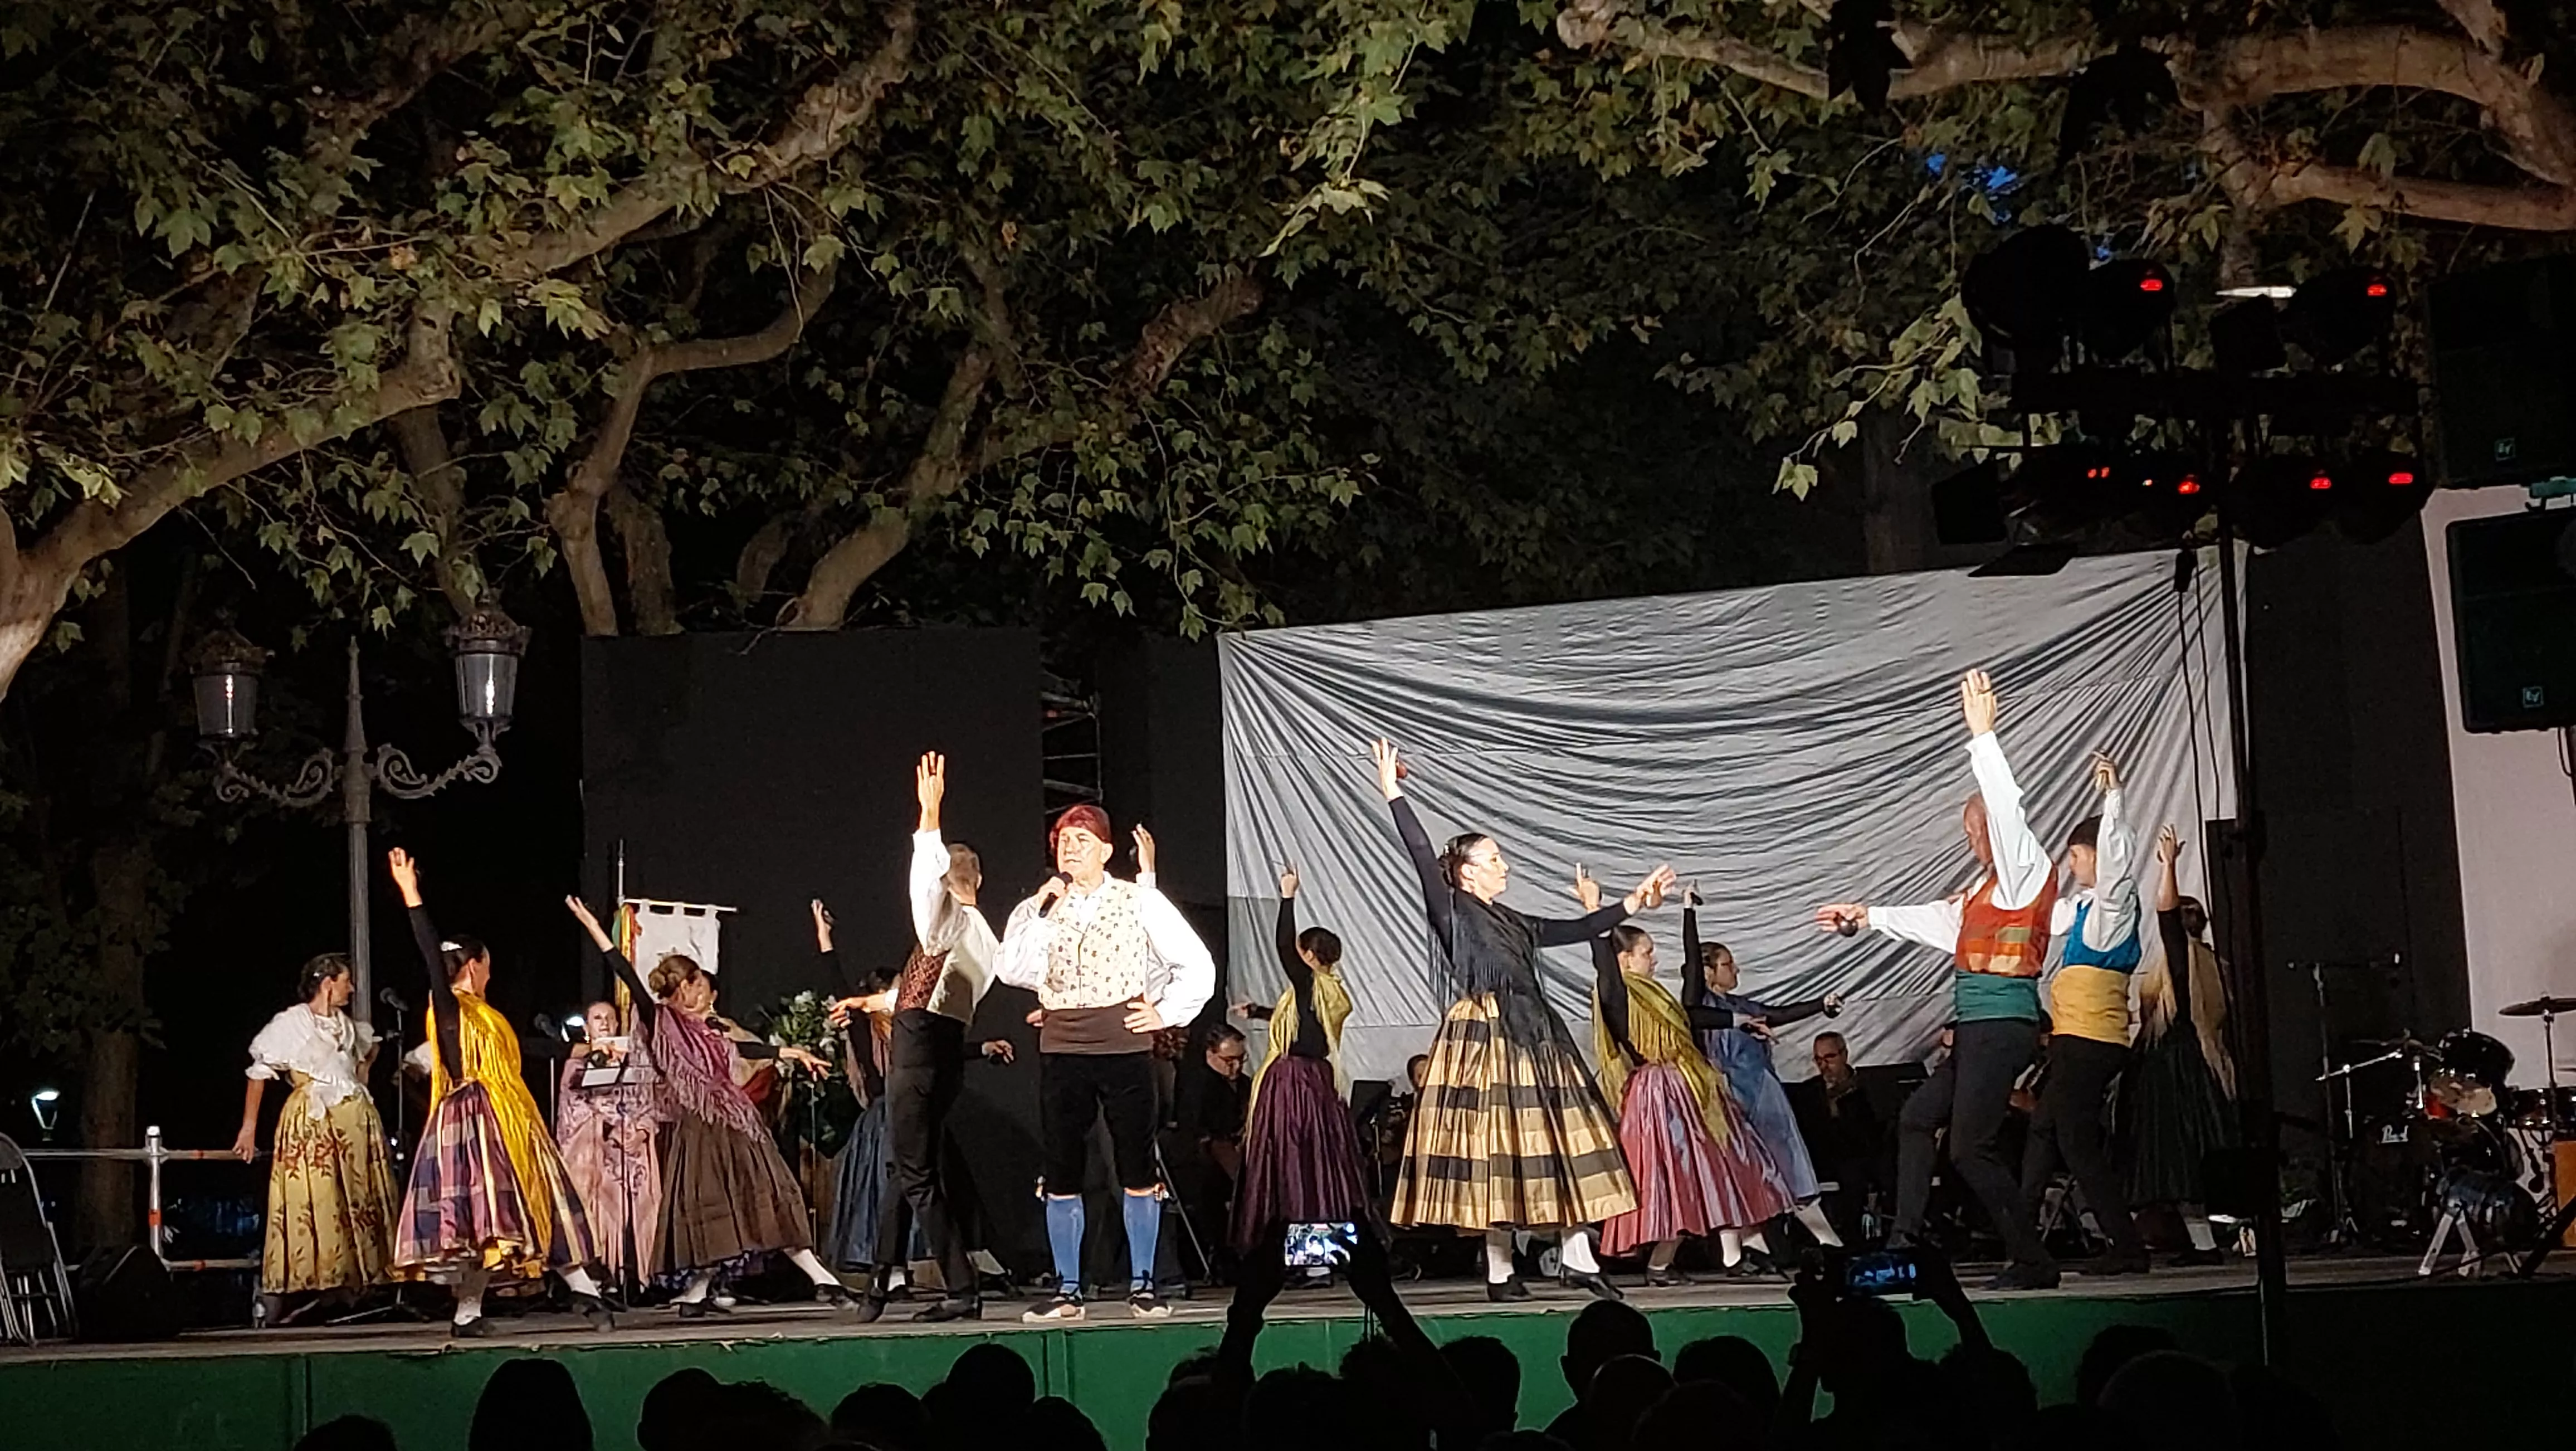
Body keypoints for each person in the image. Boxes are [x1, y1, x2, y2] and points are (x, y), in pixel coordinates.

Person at [1373, 737, 1671, 1302]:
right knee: (1498, 1149)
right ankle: (1499, 1267)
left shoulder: (1511, 918)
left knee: (1559, 1141)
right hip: (1488, 1034)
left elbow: (1571, 930)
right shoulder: (1452, 909)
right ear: (1463, 874)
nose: (1502, 865)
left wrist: (1632, 902)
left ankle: (1577, 1256)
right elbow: (1417, 852)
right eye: (1491, 859)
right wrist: (1393, 793)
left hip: (1535, 1030)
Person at [1813, 670, 2061, 1289]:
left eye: (1975, 830)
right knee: (1919, 1116)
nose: (1973, 839)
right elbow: (1936, 922)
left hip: (2004, 1023)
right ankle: (1905, 1239)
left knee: (1968, 1147)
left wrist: (1984, 738)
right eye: (1969, 832)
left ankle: (2032, 1258)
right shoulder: (1982, 891)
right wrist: (1865, 916)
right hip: (1977, 1026)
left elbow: (2006, 812)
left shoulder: (2025, 869)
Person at [562, 894, 849, 1316]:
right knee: (727, 1208)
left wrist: (793, 1054)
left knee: (761, 1199)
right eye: (698, 983)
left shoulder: (709, 1028)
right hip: (704, 1129)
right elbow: (624, 972)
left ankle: (714, 1292)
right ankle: (816, 1280)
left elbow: (744, 1046)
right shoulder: (662, 1020)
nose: (705, 991)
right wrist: (594, 927)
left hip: (732, 1123)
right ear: (685, 986)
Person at [996, 801, 1216, 1321]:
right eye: (1064, 841)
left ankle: (1144, 1283)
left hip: (1122, 1045)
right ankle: (1068, 1289)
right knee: (1063, 1165)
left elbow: (1195, 963)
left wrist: (1163, 1013)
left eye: (1083, 841)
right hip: (1063, 1045)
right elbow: (1011, 970)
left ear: (1107, 851)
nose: (1071, 848)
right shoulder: (1041, 908)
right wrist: (1038, 907)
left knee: (1135, 1162)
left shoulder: (1139, 900)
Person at [383, 848, 611, 1336]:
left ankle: (585, 1292)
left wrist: (575, 1052)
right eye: (487, 965)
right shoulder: (448, 1007)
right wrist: (411, 894)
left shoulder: (487, 1014)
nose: (491, 972)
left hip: (513, 1115)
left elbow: (523, 1048)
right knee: (485, 1218)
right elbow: (429, 955)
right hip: (474, 1118)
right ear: (474, 966)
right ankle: (473, 1311)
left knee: (539, 1202)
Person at [823, 751, 995, 1322]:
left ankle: (961, 1287)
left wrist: (929, 817)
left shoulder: (943, 919)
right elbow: (931, 990)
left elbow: (924, 889)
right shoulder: (982, 937)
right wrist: (871, 1001)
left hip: (918, 1053)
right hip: (943, 1053)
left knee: (916, 1176)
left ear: (951, 882)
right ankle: (876, 1286)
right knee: (905, 1170)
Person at [1579, 873, 1792, 1283]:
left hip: (1686, 1084)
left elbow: (1692, 1013)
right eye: (1646, 953)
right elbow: (1602, 960)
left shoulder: (1654, 995)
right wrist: (1594, 909)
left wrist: (1743, 1022)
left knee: (1717, 1168)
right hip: (1659, 1094)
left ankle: (1733, 1254)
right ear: (1624, 961)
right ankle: (1662, 1262)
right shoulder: (1618, 992)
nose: (1652, 960)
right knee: (1674, 1178)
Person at [2019, 753, 2149, 1274]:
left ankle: (2127, 1246)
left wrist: (2113, 799)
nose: (2070, 865)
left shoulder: (2114, 908)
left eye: (2076, 856)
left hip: (2092, 1040)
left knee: (2073, 1138)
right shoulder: (2083, 910)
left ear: (2096, 855)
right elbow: (2037, 916)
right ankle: (2022, 1233)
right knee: (2045, 1128)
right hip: (2077, 1038)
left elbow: (2118, 867)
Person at [234, 952, 397, 1323]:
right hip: (314, 1122)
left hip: (353, 1122)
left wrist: (366, 1064)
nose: (351, 988)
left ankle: (350, 1287)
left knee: (355, 1199)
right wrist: (249, 1126)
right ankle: (313, 1284)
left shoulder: (347, 1026)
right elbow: (260, 1072)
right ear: (328, 984)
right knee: (319, 1199)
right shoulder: (293, 1023)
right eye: (345, 981)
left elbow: (358, 1067)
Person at [1680, 890, 1847, 1251]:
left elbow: (1778, 1014)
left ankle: (1808, 1241)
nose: (1736, 969)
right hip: (1730, 1098)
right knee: (1743, 1169)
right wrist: (1688, 911)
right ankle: (1746, 1251)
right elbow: (1691, 963)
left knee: (1784, 1163)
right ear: (1709, 972)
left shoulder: (1741, 1005)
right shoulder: (1701, 1006)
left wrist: (1821, 1005)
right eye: (1728, 964)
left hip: (1762, 1096)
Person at [2128, 826, 2237, 1263]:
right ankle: (2200, 1242)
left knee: (2182, 1164)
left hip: (2177, 1076)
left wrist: (2169, 867)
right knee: (2191, 1165)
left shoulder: (2187, 965)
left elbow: (2167, 920)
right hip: (2197, 1071)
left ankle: (2204, 1245)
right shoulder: (2216, 968)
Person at [554, 999, 666, 1290]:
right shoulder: (576, 1065)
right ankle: (601, 1276)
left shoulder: (636, 1061)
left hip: (633, 1149)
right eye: (597, 1018)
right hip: (597, 1148)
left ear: (618, 1025)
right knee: (598, 1211)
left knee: (638, 1209)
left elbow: (649, 1104)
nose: (604, 1023)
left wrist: (640, 1132)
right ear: (588, 1028)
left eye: (609, 1018)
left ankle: (638, 1278)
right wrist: (609, 1129)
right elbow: (572, 1110)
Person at [1793, 1030, 1884, 1245]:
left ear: (1844, 1055)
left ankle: (1852, 1239)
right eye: (1818, 1059)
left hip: (1859, 1155)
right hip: (1820, 1157)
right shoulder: (1808, 1092)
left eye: (1830, 1058)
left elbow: (1876, 1130)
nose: (1824, 1065)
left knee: (1855, 1173)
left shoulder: (1868, 1086)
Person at [1171, 1022, 1251, 1264]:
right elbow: (1196, 1129)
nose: (1236, 1066)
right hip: (1204, 1163)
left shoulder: (1246, 1084)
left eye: (1241, 1059)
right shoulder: (1196, 1086)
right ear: (1210, 1054)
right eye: (1229, 1060)